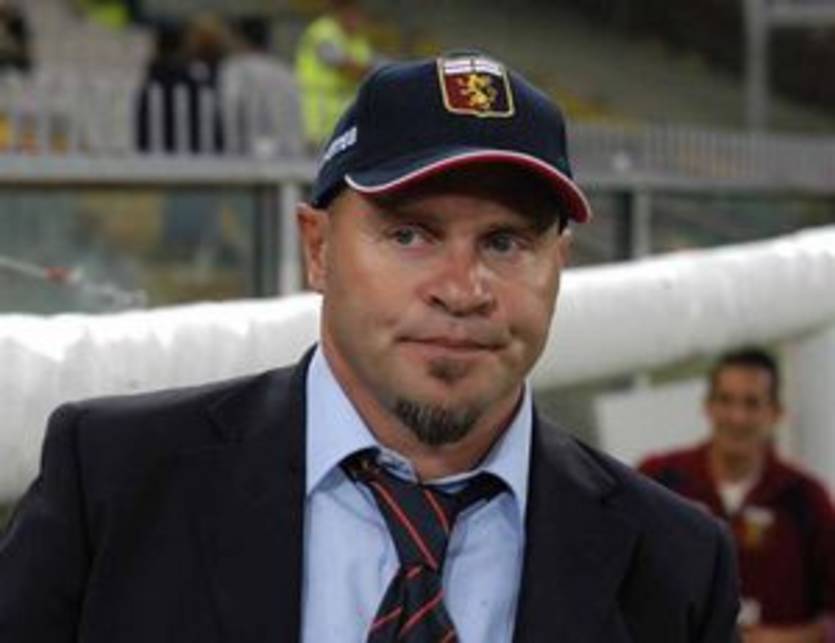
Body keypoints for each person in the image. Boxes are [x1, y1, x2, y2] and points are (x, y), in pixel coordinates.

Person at [0, 52, 740, 642]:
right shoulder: (114, 484)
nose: (463, 289)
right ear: (317, 249)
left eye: (506, 242)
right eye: (410, 234)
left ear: (559, 265)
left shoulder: (675, 564)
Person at [639, 347, 835, 643]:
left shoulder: (805, 498)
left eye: (752, 403)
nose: (737, 417)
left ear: (776, 412)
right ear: (708, 406)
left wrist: (788, 638)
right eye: (725, 400)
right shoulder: (661, 480)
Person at [295, 0, 376, 148]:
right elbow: (345, 67)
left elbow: (367, 66)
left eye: (358, 13)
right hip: (318, 112)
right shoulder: (322, 33)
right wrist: (372, 72)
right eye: (351, 13)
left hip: (344, 114)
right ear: (339, 12)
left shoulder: (358, 38)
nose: (356, 19)